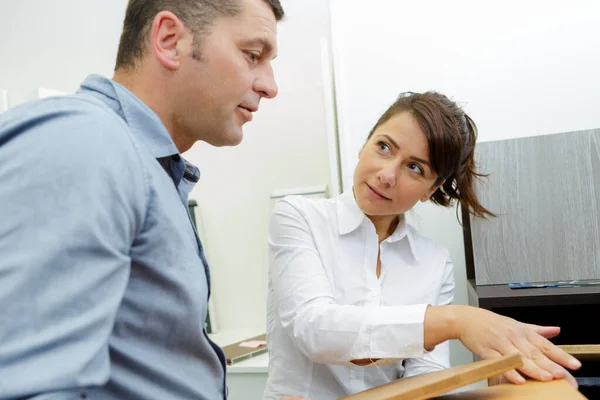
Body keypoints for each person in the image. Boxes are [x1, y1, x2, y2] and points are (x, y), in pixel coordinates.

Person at [0, 0, 284, 398]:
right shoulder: (87, 140)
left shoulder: (146, 166)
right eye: (252, 55)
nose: (270, 85)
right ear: (169, 41)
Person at [263, 91, 581, 399]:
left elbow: (425, 372)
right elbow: (315, 330)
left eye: (415, 168)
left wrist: (499, 375)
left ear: (433, 188)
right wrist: (457, 321)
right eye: (384, 147)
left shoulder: (434, 261)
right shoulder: (298, 217)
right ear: (364, 144)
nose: (387, 175)